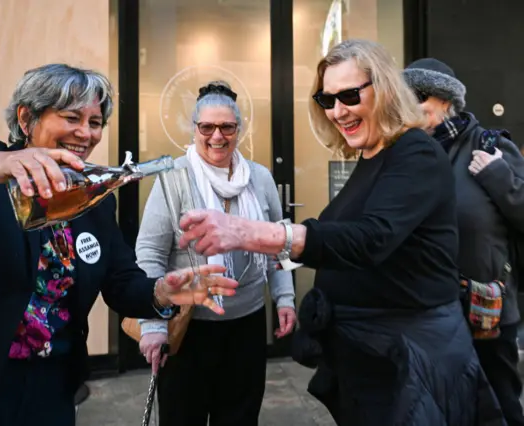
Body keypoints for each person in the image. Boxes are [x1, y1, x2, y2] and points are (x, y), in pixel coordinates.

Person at [0, 64, 238, 426]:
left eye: (95, 122)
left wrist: (162, 292)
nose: (85, 134)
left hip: (47, 388)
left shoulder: (93, 198)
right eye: (71, 117)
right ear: (26, 118)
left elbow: (120, 283)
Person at [175, 40, 505, 425]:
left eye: (348, 95)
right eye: (326, 99)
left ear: (383, 89)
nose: (337, 111)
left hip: (413, 365)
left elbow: (371, 238)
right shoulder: (372, 155)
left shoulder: (415, 152)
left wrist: (249, 232)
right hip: (374, 365)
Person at [135, 81, 296, 426]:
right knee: (183, 418)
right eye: (207, 127)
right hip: (189, 327)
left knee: (239, 418)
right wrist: (153, 324)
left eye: (227, 127)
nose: (217, 136)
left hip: (247, 325)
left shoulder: (260, 178)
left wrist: (285, 297)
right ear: (194, 128)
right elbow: (149, 251)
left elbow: (277, 242)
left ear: (239, 129)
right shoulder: (175, 177)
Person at [404, 57, 524, 426]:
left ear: (445, 99)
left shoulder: (491, 146)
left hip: (484, 310)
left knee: (498, 408)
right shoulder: (405, 155)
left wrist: (499, 177)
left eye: (417, 95)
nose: (408, 105)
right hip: (423, 310)